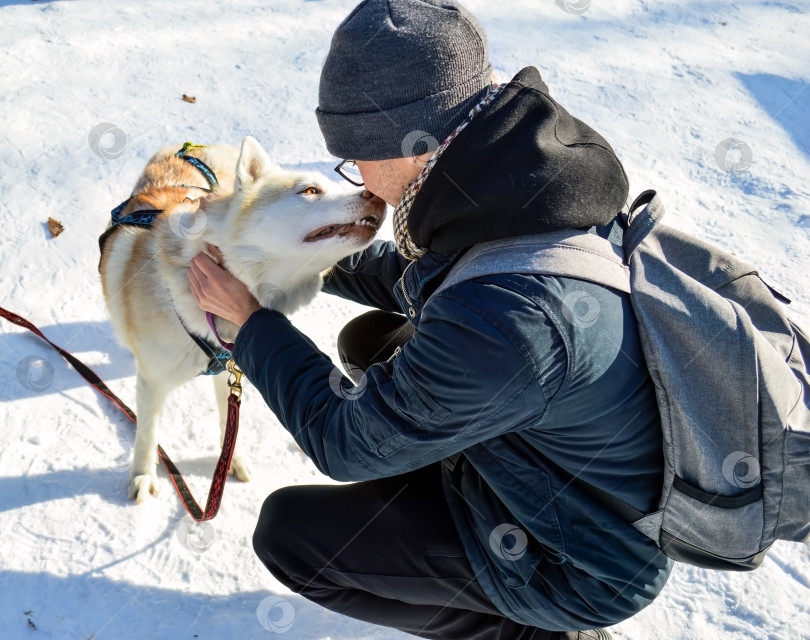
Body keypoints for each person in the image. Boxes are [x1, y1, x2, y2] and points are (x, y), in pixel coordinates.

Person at [187, 1, 673, 638]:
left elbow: (346, 442)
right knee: (371, 341)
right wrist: (289, 252)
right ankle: (453, 469)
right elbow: (431, 279)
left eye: (353, 155)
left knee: (289, 535)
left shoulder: (511, 319)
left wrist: (250, 323)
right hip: (563, 453)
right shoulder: (517, 171)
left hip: (581, 558)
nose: (355, 176)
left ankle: (535, 631)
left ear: (402, 139)